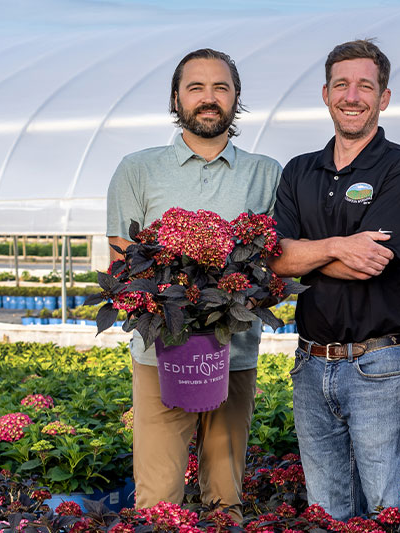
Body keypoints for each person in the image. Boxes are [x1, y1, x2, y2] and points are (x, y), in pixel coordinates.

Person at [106, 48, 282, 520]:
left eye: (221, 87)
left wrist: (228, 297)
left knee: (226, 497)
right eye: (196, 87)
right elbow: (122, 265)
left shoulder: (266, 173)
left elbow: (275, 265)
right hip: (160, 355)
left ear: (236, 97)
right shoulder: (137, 169)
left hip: (234, 353)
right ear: (176, 98)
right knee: (158, 500)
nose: (209, 98)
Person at [268, 39, 400, 520]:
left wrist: (304, 253)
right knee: (327, 513)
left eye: (365, 85)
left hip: (379, 366)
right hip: (310, 365)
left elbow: (372, 262)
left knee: (390, 511)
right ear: (326, 94)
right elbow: (275, 260)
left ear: (384, 97)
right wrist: (341, 245)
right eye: (341, 84)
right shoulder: (299, 170)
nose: (352, 96)